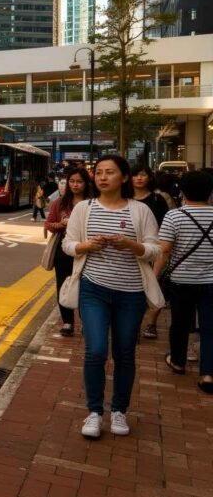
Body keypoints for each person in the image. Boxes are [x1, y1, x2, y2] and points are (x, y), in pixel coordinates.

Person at [62, 154, 162, 439]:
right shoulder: (84, 208)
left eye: (110, 172)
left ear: (124, 177)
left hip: (131, 294)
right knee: (95, 351)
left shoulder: (140, 211)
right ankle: (94, 412)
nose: (103, 177)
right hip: (94, 289)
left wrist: (131, 245)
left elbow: (155, 250)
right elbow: (68, 245)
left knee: (125, 353)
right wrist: (87, 245)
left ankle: (119, 410)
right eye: (99, 172)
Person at [155, 170, 213, 393]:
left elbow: (164, 251)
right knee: (210, 327)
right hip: (211, 282)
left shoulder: (175, 216)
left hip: (182, 280)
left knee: (180, 322)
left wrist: (153, 276)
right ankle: (207, 373)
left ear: (182, 191)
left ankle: (178, 361)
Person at [45, 167, 94, 337]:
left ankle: (86, 320)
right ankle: (67, 321)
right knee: (64, 284)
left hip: (88, 250)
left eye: (79, 181)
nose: (75, 185)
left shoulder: (94, 203)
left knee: (86, 285)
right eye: (71, 181)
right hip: (64, 251)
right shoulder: (59, 203)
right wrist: (61, 224)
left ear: (86, 184)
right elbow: (48, 224)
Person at [132, 164, 171, 340]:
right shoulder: (124, 199)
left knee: (154, 286)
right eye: (136, 175)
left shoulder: (158, 200)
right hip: (130, 251)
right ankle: (133, 326)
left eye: (143, 175)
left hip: (154, 250)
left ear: (149, 178)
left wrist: (162, 252)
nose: (139, 178)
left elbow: (165, 228)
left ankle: (151, 324)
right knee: (135, 292)